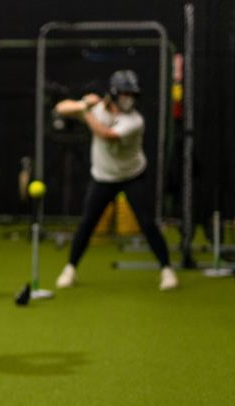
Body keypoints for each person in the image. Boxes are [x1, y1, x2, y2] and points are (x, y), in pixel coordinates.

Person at [53, 70, 179, 291]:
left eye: (132, 95)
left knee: (147, 223)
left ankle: (167, 270)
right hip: (103, 177)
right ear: (113, 93)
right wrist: (83, 104)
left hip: (132, 176)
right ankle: (70, 269)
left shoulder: (135, 121)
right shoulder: (96, 109)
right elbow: (60, 108)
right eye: (124, 94)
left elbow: (106, 134)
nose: (129, 99)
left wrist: (87, 112)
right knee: (87, 224)